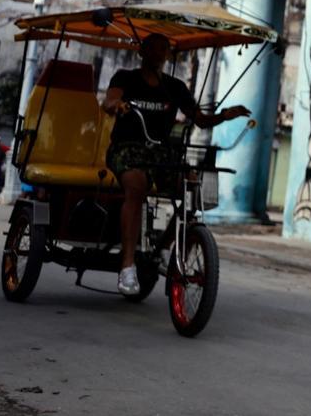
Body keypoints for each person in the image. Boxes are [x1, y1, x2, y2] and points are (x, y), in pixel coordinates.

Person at [102, 34, 250, 296]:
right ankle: (127, 266)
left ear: (168, 55)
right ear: (142, 52)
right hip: (126, 148)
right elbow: (109, 101)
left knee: (193, 187)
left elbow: (200, 120)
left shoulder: (175, 87)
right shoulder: (125, 77)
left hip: (161, 153)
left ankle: (163, 247)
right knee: (136, 186)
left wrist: (225, 116)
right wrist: (117, 105)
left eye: (164, 49)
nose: (159, 53)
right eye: (153, 48)